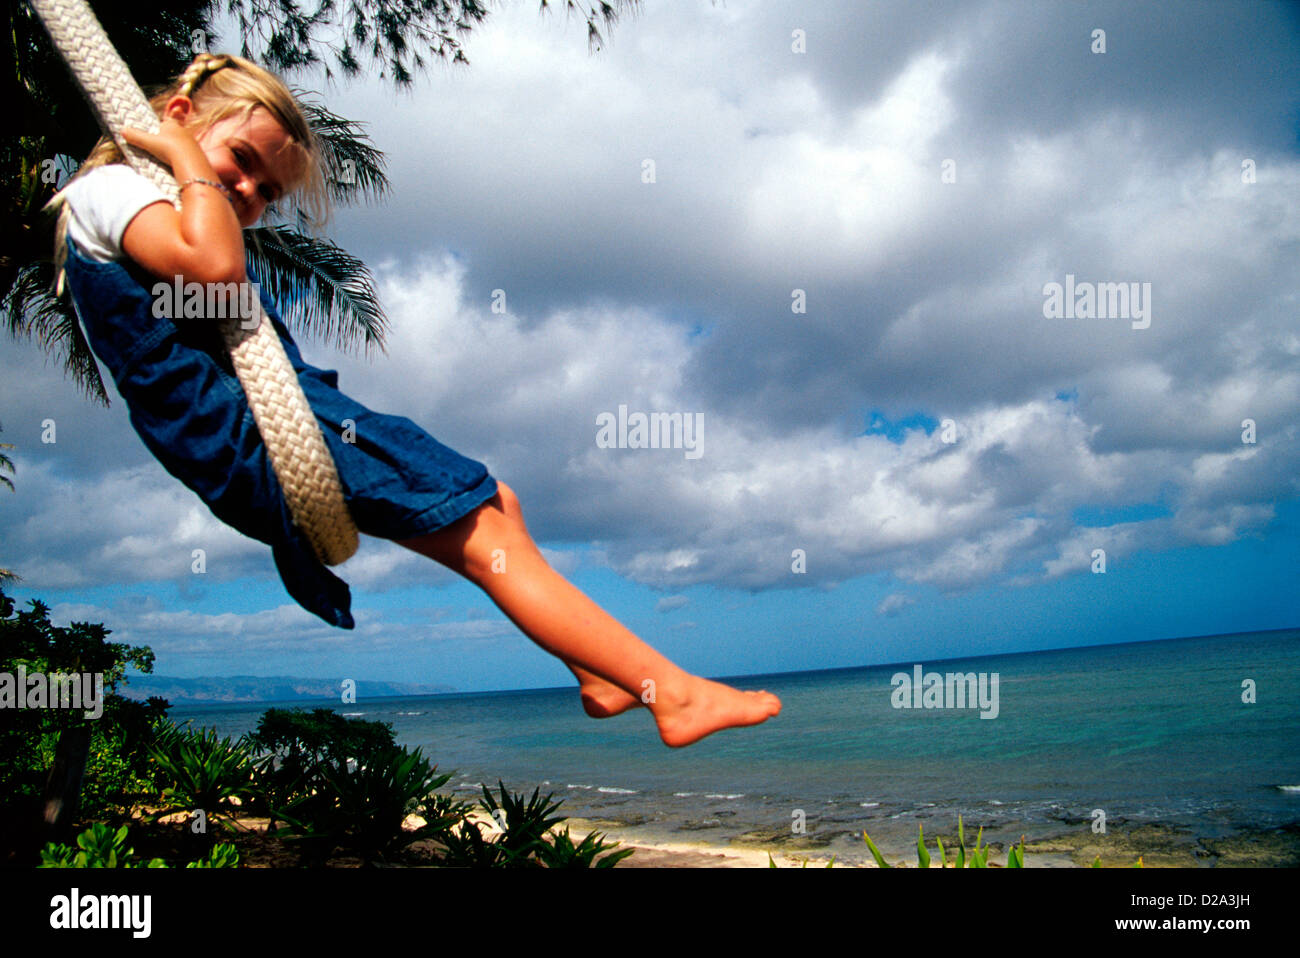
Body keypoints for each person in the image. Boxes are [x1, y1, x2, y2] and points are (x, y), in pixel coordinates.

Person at [51, 53, 780, 747]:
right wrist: (183, 157)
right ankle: (672, 695)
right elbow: (212, 270)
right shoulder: (111, 191)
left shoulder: (162, 207)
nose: (248, 194)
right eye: (241, 162)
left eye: (268, 191)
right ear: (179, 116)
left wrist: (194, 168)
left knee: (499, 503)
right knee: (483, 539)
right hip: (252, 437)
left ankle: (598, 672)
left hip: (281, 424)